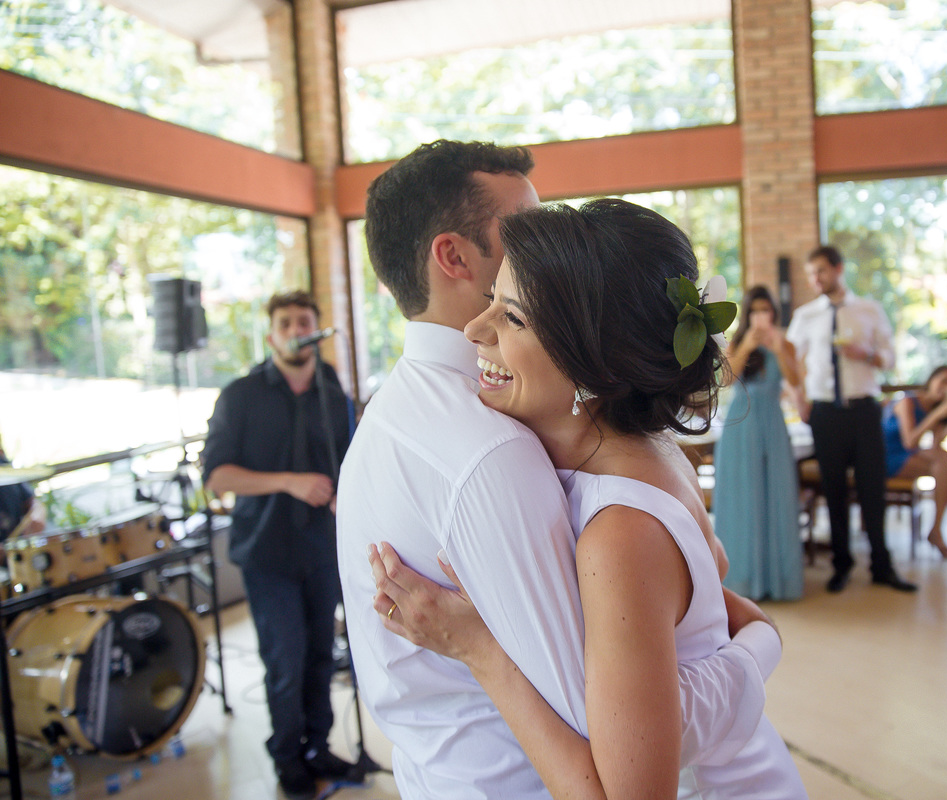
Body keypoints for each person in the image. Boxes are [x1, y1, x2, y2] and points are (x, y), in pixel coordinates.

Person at [336, 142, 783, 800]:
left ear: (588, 360)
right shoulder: (628, 448)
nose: (478, 330)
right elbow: (708, 606)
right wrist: (758, 647)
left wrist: (480, 647)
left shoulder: (601, 513)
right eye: (497, 299)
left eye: (511, 312)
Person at [201, 290, 356, 800]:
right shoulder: (240, 395)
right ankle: (287, 756)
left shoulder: (333, 391)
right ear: (271, 335)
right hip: (267, 555)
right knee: (285, 663)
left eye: (304, 320)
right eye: (285, 322)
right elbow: (217, 477)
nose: (296, 329)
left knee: (319, 657)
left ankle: (320, 745)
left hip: (321, 550)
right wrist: (288, 481)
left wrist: (347, 494)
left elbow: (351, 460)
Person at [785, 245, 917, 593]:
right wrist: (799, 396)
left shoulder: (868, 309)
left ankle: (881, 565)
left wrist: (867, 354)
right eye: (811, 273)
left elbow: (890, 358)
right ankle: (841, 564)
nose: (816, 279)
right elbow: (789, 361)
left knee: (873, 488)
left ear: (839, 269)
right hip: (825, 412)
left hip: (864, 409)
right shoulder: (806, 316)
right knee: (834, 489)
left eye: (821, 271)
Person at [713, 285, 804, 600]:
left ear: (774, 315)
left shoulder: (785, 344)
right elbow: (724, 381)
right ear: (748, 314)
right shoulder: (736, 344)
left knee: (777, 494)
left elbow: (795, 381)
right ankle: (743, 580)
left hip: (773, 423)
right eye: (755, 311)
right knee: (742, 497)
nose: (761, 316)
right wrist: (747, 346)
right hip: (742, 423)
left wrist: (778, 348)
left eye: (766, 311)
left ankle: (777, 580)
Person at [882, 365, 947, 559]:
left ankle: (936, 529)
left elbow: (937, 444)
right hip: (886, 456)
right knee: (946, 468)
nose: (945, 387)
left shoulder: (935, 408)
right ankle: (936, 532)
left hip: (908, 455)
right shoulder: (908, 402)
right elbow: (910, 441)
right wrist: (936, 415)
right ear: (932, 380)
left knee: (944, 460)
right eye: (943, 380)